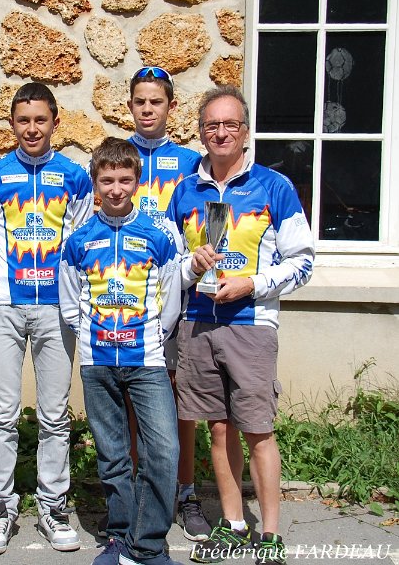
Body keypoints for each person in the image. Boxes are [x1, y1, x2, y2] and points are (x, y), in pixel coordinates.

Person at [164, 86, 314, 565]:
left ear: (246, 132)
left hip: (252, 324)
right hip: (197, 324)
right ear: (201, 132)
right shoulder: (185, 191)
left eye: (230, 124)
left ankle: (269, 534)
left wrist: (252, 284)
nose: (221, 132)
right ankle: (232, 525)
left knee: (258, 430)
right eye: (212, 125)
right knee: (219, 429)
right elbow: (171, 265)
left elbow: (303, 262)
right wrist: (191, 267)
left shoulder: (274, 186)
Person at [0, 82, 94, 555]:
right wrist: (0, 283)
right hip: (4, 307)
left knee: (54, 415)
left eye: (40, 120)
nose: (31, 129)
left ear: (55, 123)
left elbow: (81, 241)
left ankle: (52, 505)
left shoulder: (75, 176)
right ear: (11, 124)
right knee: (3, 414)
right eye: (23, 120)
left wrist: (65, 296)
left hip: (56, 311)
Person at [59, 137, 183, 565]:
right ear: (95, 183)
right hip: (97, 363)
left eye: (124, 180)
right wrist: (93, 338)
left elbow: (170, 299)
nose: (116, 189)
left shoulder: (156, 237)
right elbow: (69, 302)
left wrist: (151, 338)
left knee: (162, 451)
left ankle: (146, 545)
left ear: (137, 181)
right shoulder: (78, 241)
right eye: (107, 180)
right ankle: (118, 536)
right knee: (113, 456)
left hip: (146, 361)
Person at [127, 65, 211, 542]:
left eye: (155, 101)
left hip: (180, 293)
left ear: (171, 107)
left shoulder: (190, 163)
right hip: (127, 294)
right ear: (130, 105)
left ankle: (186, 491)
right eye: (140, 101)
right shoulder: (116, 154)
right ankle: (139, 489)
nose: (147, 109)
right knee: (132, 398)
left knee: (182, 399)